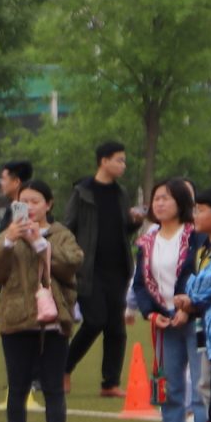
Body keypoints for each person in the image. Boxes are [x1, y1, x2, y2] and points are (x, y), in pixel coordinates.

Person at [0, 180, 81, 422]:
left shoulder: (61, 234)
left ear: (48, 204)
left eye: (35, 201)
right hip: (16, 320)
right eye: (23, 202)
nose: (30, 207)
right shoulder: (7, 236)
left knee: (53, 387)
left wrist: (40, 242)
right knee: (18, 387)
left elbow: (71, 265)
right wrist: (9, 240)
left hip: (53, 321)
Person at [127, 178, 210, 422]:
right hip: (164, 321)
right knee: (170, 387)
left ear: (181, 203)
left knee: (201, 388)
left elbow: (197, 274)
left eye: (166, 198)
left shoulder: (195, 236)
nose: (159, 203)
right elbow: (139, 283)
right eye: (156, 198)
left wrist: (189, 307)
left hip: (194, 320)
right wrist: (151, 312)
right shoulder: (147, 241)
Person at [66, 140, 134, 394]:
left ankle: (111, 383)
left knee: (116, 327)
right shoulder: (82, 192)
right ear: (103, 161)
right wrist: (71, 256)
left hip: (118, 269)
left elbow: (123, 229)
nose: (123, 165)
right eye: (119, 160)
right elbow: (67, 226)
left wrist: (134, 222)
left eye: (123, 160)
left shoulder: (121, 193)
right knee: (94, 321)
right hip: (89, 270)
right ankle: (64, 368)